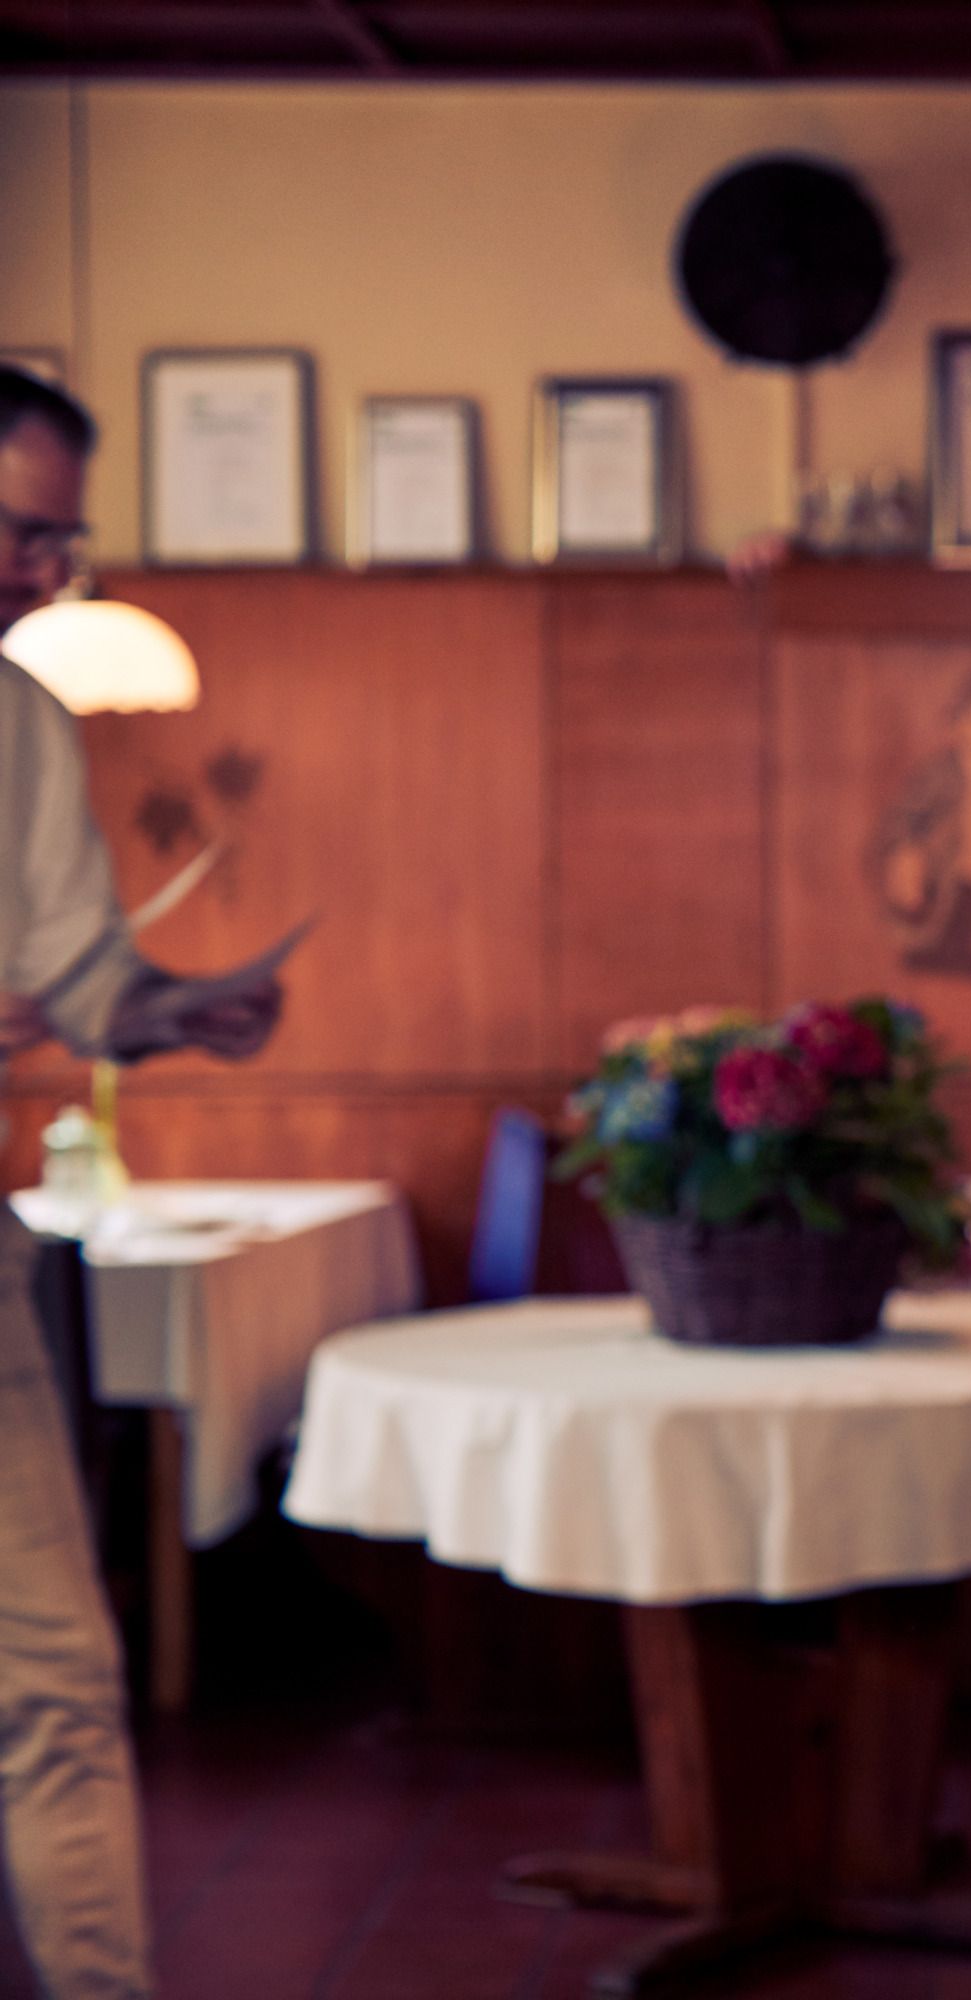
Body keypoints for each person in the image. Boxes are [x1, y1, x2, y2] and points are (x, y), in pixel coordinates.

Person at [0, 362, 280, 1999]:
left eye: (61, 540)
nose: (40, 572)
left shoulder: (24, 719)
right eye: (14, 531)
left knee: (52, 1680)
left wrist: (176, 1015)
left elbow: (66, 981)